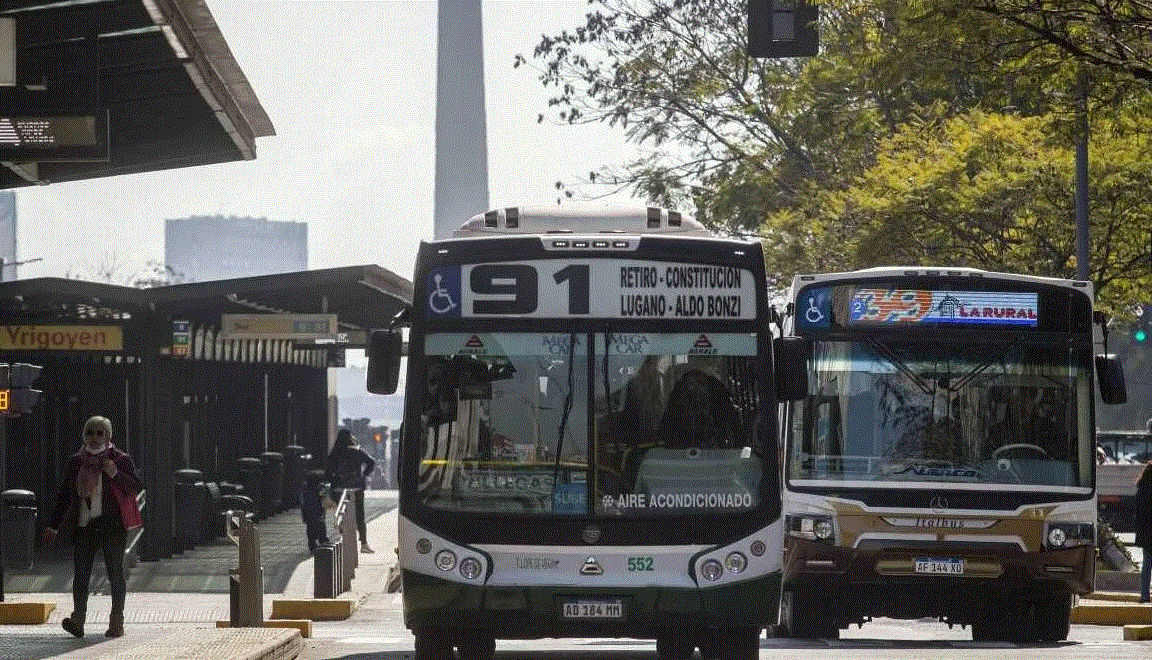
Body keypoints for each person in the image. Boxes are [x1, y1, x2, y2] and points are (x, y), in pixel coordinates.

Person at [43, 416, 143, 638]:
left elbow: (135, 487)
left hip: (111, 526)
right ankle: (78, 619)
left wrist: (115, 473)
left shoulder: (120, 459)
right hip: (84, 526)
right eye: (90, 433)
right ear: (84, 435)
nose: (95, 438)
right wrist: (53, 526)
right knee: (81, 575)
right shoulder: (76, 462)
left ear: (108, 436)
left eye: (100, 433)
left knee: (115, 574)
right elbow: (65, 497)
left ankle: (116, 621)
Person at [326, 428, 377, 553]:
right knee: (360, 516)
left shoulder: (335, 452)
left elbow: (328, 471)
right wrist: (364, 475)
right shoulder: (357, 451)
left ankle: (345, 541)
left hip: (339, 489)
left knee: (342, 515)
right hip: (357, 488)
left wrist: (333, 482)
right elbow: (371, 462)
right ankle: (364, 543)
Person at [300, 469, 331, 553]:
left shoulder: (306, 490)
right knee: (320, 527)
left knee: (310, 529)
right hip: (318, 511)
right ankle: (323, 542)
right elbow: (324, 498)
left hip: (308, 512)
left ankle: (312, 545)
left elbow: (303, 503)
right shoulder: (320, 488)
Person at [1135, 460, 1152, 603]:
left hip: (1145, 534)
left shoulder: (1141, 488)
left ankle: (1144, 595)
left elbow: (1138, 513)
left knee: (1146, 564)